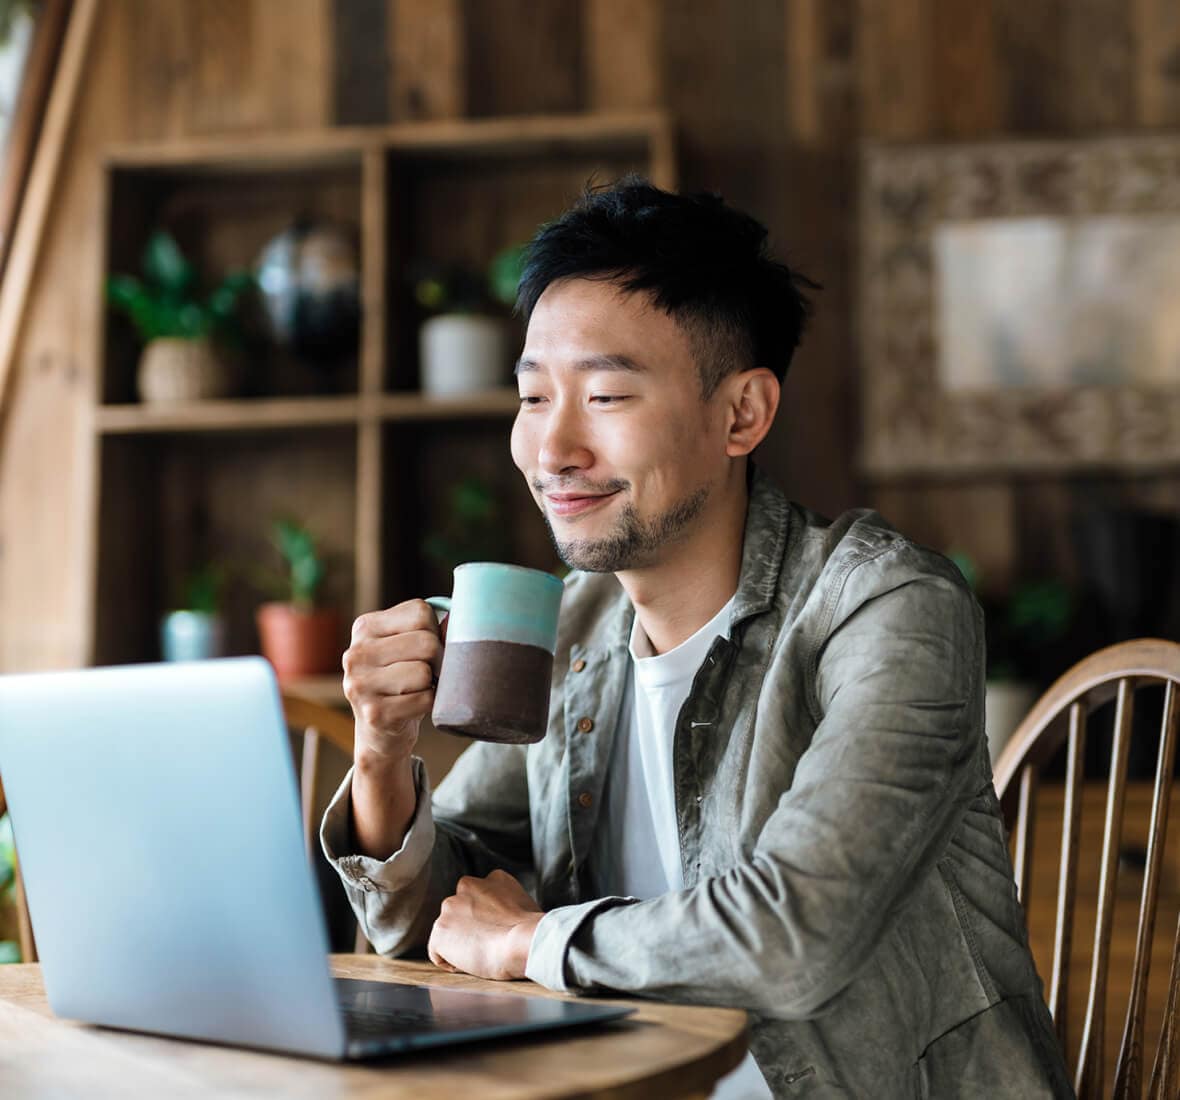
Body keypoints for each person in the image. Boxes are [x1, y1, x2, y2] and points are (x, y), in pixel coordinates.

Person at [322, 178, 1073, 1099]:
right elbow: (442, 915)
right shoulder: (578, 623)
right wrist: (382, 755)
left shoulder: (889, 607)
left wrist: (532, 940)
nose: (552, 449)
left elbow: (794, 935)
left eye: (606, 395)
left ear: (742, 414)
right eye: (532, 396)